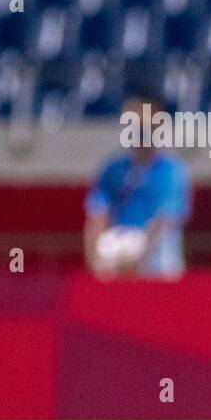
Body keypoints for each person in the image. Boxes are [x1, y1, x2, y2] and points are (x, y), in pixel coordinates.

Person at [83, 91, 191, 280]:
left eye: (143, 125)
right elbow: (97, 216)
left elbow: (165, 220)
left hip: (156, 260)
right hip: (116, 257)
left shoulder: (170, 171)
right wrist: (96, 262)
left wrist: (138, 258)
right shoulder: (112, 169)